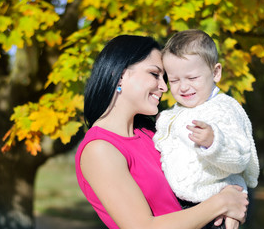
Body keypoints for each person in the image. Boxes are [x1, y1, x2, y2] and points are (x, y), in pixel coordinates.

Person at [75, 34, 249, 229]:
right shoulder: (100, 149)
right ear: (120, 74)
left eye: (164, 78)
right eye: (154, 74)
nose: (164, 87)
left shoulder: (154, 133)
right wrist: (221, 204)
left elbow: (209, 174)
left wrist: (232, 201)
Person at [153, 29, 260, 229]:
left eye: (192, 78)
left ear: (215, 72)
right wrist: (162, 121)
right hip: (186, 205)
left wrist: (214, 142)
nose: (183, 87)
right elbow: (172, 127)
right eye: (174, 80)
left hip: (212, 207)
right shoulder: (181, 109)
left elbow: (240, 156)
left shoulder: (223, 110)